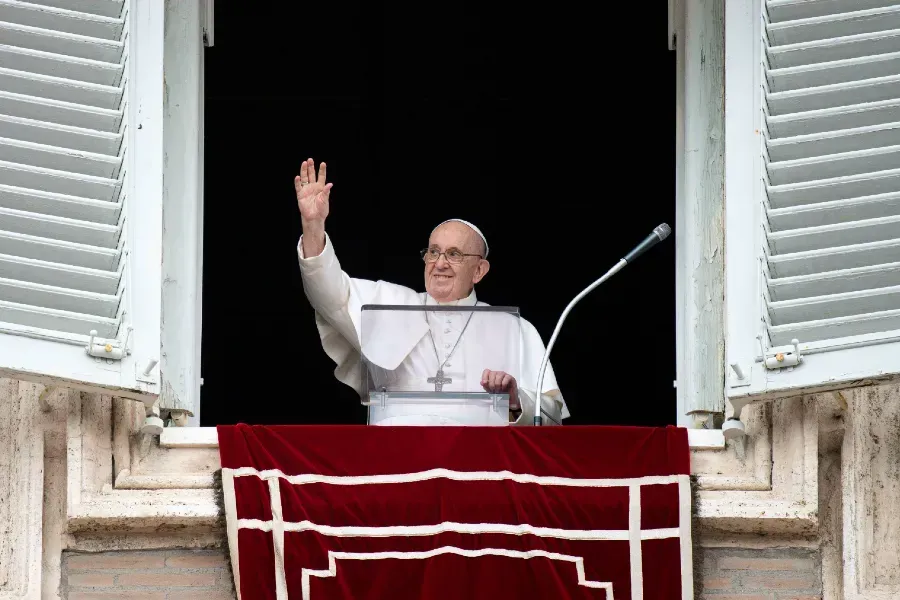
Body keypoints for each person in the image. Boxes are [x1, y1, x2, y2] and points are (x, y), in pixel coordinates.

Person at [295, 158, 569, 425]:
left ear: (479, 270)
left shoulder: (514, 329)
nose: (439, 263)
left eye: (454, 254)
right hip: (398, 455)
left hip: (478, 460)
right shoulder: (389, 303)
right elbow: (329, 295)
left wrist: (515, 399)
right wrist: (313, 226)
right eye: (433, 252)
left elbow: (550, 416)